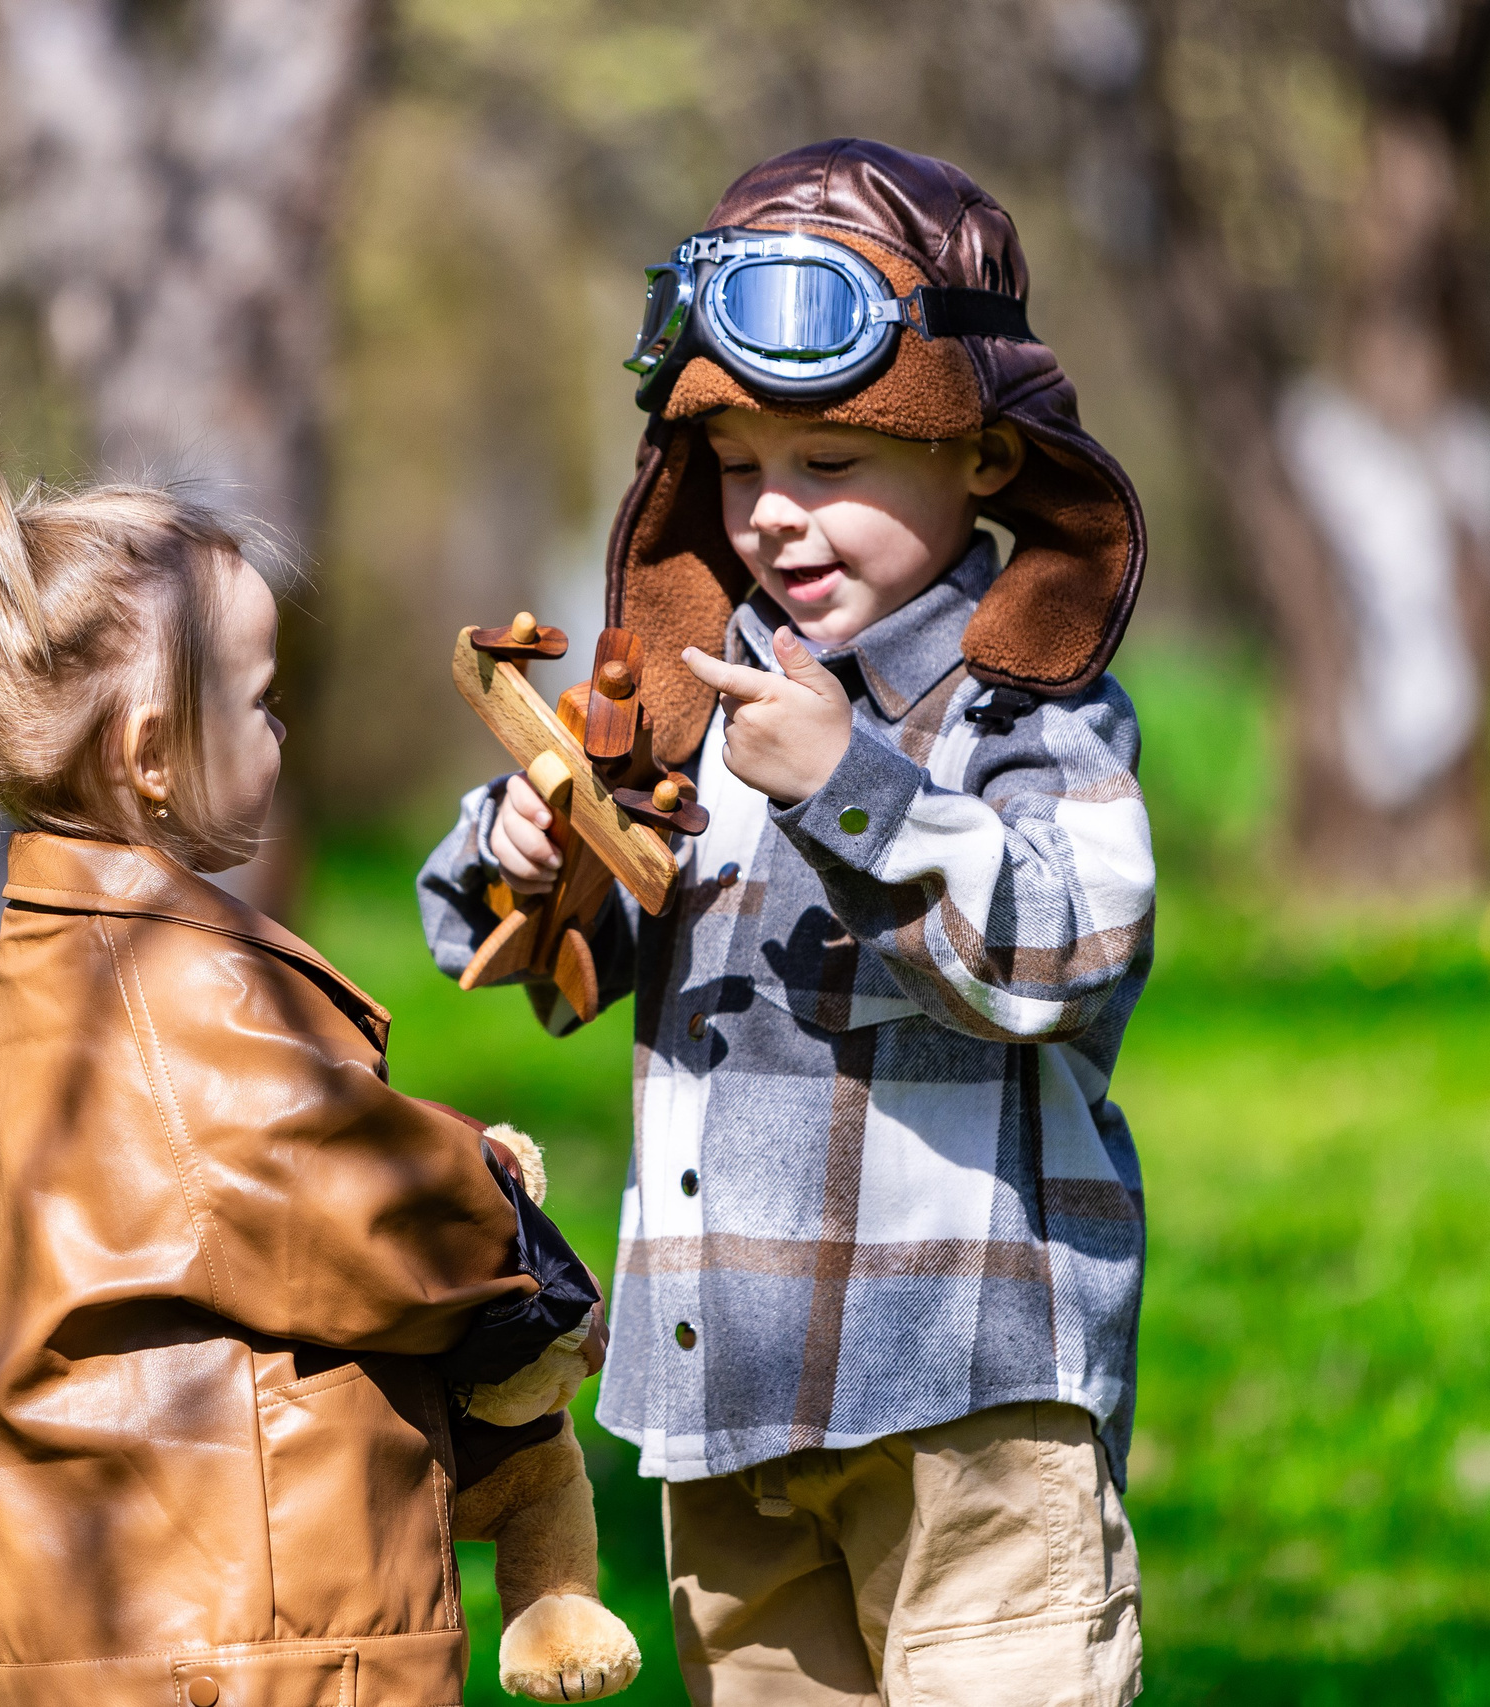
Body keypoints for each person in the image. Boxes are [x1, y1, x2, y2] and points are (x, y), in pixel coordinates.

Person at [419, 140, 1155, 1706]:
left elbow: (1072, 957)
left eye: (830, 464)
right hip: (728, 1404)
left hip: (969, 1402)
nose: (775, 518)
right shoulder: (691, 707)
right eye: (740, 467)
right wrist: (530, 840)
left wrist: (854, 790)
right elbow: (551, 963)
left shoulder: (1026, 711)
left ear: (983, 457)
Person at [0, 397, 604, 1707]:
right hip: (243, 1645)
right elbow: (346, 1189)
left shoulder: (71, 964)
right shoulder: (167, 990)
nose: (284, 732)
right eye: (260, 702)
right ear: (151, 757)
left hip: (123, 1624)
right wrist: (503, 1218)